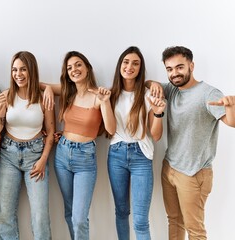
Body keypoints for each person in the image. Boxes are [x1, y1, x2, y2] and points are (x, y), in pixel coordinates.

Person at [148, 46, 235, 240]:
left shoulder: (208, 94)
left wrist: (231, 107)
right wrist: (153, 82)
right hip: (170, 167)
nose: (174, 73)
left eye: (180, 67)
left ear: (191, 66)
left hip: (194, 173)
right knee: (174, 221)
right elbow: (148, 84)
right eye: (169, 69)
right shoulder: (172, 89)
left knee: (195, 230)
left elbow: (231, 122)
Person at [42, 51, 116, 240]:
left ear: (87, 68)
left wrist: (105, 103)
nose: (74, 70)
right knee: (69, 211)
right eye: (69, 68)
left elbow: (111, 128)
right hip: (62, 153)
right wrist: (48, 89)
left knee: (79, 218)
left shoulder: (99, 95)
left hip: (85, 158)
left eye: (78, 65)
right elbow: (34, 84)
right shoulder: (67, 92)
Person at [0, 51, 55, 240]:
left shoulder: (43, 98)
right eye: (14, 70)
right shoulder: (6, 96)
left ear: (31, 71)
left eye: (23, 69)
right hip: (8, 155)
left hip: (36, 156)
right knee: (3, 215)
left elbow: (51, 132)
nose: (18, 74)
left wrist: (43, 160)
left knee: (40, 216)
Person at [107, 46, 166, 240]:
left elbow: (156, 136)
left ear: (140, 68)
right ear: (119, 65)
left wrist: (158, 112)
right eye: (126, 62)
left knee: (140, 220)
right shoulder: (111, 94)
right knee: (121, 212)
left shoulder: (148, 95)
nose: (130, 66)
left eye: (135, 63)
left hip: (142, 156)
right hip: (116, 154)